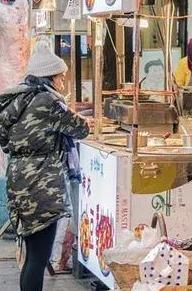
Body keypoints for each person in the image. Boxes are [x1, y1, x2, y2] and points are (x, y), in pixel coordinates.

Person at [0, 37, 90, 291]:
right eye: (60, 78)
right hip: (42, 185)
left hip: (18, 180)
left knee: (31, 256)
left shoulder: (15, 99)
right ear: (49, 77)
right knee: (39, 258)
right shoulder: (49, 101)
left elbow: (4, 139)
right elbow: (80, 128)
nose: (62, 83)